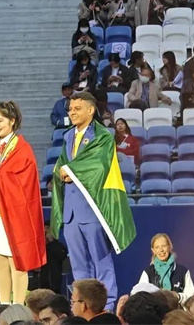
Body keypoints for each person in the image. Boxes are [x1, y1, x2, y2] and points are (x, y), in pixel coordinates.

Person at [50, 92, 136, 311]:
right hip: (71, 212)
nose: (72, 113)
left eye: (77, 108)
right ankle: (82, 306)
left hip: (92, 208)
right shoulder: (68, 136)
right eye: (70, 109)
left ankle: (107, 306)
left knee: (101, 261)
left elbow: (98, 165)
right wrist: (61, 172)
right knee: (78, 264)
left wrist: (70, 171)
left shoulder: (103, 136)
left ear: (90, 110)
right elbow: (61, 164)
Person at [0, 101, 46, 305]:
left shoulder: (22, 148)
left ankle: (19, 306)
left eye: (0, 120)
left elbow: (26, 180)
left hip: (15, 212)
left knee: (17, 261)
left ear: (12, 121)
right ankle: (4, 305)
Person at [137, 233, 194, 306]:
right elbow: (140, 296)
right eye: (157, 247)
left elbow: (192, 297)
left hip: (177, 312)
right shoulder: (148, 272)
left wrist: (178, 296)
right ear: (153, 250)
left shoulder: (183, 271)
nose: (161, 250)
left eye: (164, 246)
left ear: (169, 247)